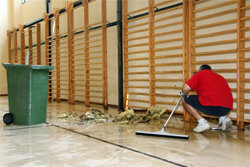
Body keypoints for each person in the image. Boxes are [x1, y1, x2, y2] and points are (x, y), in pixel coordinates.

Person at [182, 64, 233, 133]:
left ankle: (202, 123)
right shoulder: (220, 77)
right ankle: (224, 119)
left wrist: (183, 92)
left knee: (185, 100)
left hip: (211, 106)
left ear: (200, 70)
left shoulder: (200, 74)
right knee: (217, 99)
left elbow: (185, 88)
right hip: (227, 109)